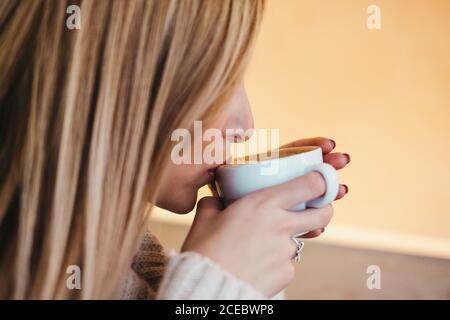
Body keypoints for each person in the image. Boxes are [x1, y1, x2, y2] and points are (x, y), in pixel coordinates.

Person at [0, 0, 350, 299]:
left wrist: (252, 262)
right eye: (221, 80)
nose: (246, 129)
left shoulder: (121, 261)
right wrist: (218, 287)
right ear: (119, 86)